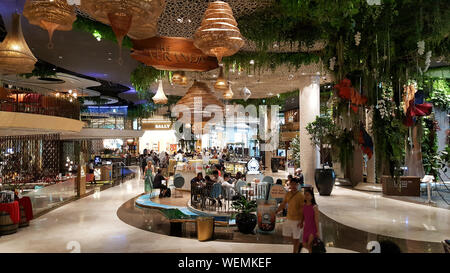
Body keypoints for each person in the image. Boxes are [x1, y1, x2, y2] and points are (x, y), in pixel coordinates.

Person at [276, 178, 305, 253]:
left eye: (295, 184)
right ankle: (299, 244)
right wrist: (277, 211)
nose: (293, 186)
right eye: (292, 184)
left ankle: (295, 251)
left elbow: (303, 209)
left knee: (296, 237)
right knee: (286, 235)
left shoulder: (300, 195)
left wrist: (302, 221)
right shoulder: (288, 194)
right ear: (290, 184)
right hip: (289, 218)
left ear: (297, 185)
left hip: (297, 220)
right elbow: (283, 204)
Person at [302, 188, 320, 253]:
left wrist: (318, 231)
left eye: (307, 195)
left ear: (311, 197)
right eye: (305, 195)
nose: (306, 196)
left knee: (309, 245)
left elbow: (316, 219)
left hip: (312, 229)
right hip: (306, 228)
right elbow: (303, 216)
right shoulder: (304, 205)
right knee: (304, 244)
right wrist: (301, 223)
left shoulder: (314, 207)